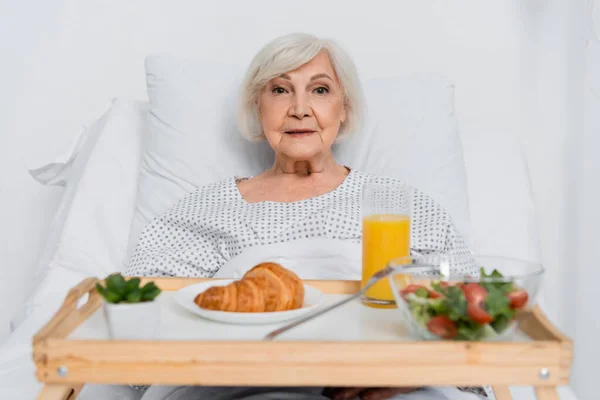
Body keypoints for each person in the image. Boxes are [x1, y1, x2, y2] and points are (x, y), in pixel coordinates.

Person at [121, 33, 493, 400]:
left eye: (320, 90)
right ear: (257, 107)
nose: (299, 108)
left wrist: (409, 372)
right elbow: (136, 331)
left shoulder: (398, 205)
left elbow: (473, 320)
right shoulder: (208, 209)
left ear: (343, 108)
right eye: (280, 90)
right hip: (246, 382)